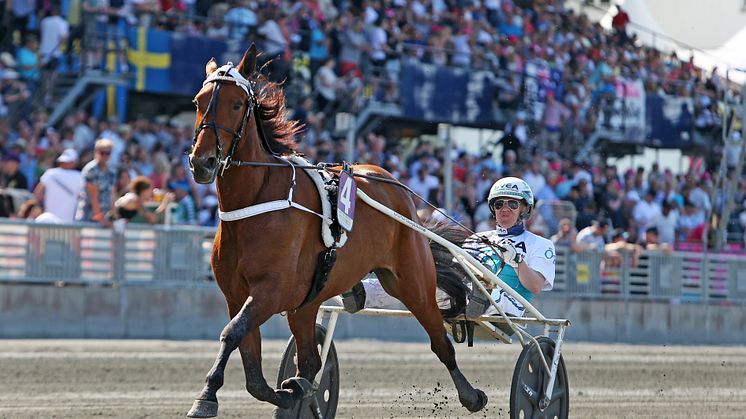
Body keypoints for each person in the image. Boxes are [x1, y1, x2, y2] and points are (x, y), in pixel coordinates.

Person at [342, 177, 556, 318]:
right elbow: (455, 270)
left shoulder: (540, 244)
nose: (505, 209)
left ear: (525, 208)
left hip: (505, 306)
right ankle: (360, 292)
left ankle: (479, 297)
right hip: (457, 293)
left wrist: (517, 262)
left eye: (512, 204)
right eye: (499, 204)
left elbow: (535, 286)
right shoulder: (477, 237)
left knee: (479, 289)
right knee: (414, 280)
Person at [33, 148, 83, 223]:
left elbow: (37, 193)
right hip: (63, 221)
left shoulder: (50, 173)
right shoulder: (79, 176)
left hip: (49, 220)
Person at [76, 139, 116, 224]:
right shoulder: (91, 170)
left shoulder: (111, 171)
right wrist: (100, 218)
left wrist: (114, 216)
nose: (105, 156)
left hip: (104, 219)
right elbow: (93, 196)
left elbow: (112, 194)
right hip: (88, 217)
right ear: (96, 152)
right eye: (102, 152)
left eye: (108, 153)